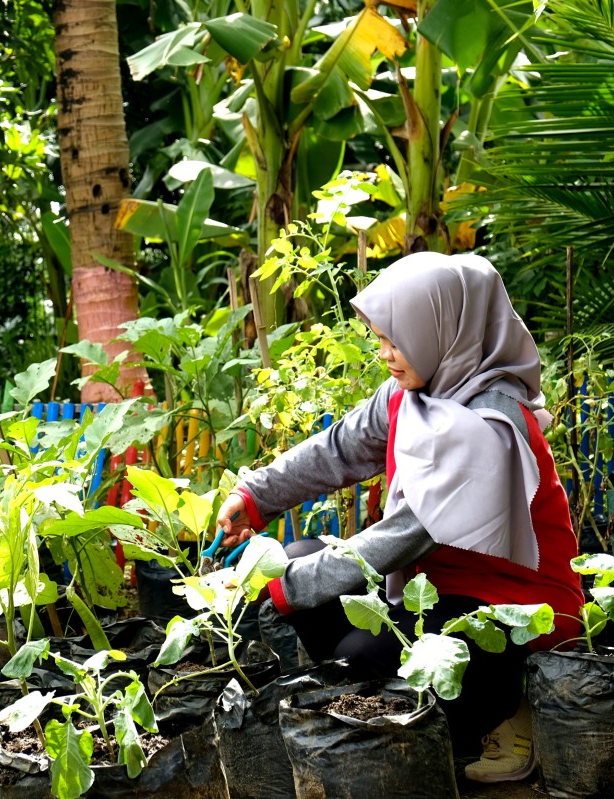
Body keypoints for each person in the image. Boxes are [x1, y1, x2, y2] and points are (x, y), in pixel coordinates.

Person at [216, 251, 583, 784]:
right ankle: (432, 712)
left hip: (511, 604)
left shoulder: (492, 424)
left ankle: (502, 711)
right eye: (381, 339)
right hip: (432, 589)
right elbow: (339, 449)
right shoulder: (412, 391)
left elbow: (409, 535)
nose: (386, 354)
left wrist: (286, 584)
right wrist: (252, 496)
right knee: (297, 562)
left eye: (396, 339)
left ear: (442, 329)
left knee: (361, 650)